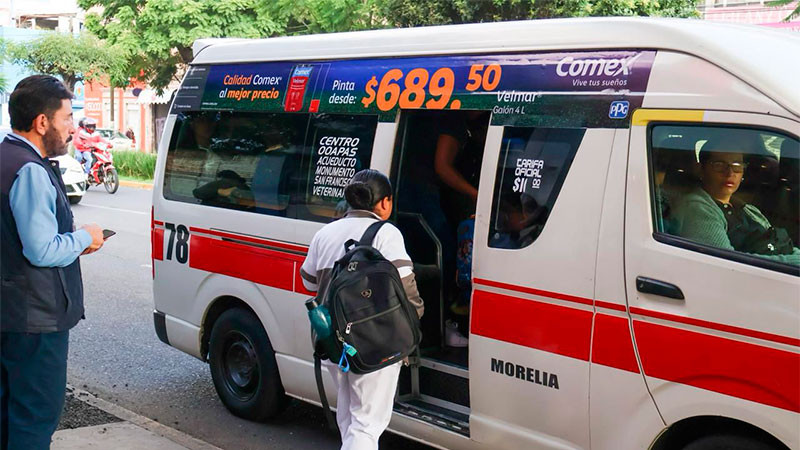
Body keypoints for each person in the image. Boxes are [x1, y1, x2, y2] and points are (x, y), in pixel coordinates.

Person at [1, 75, 105, 449]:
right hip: (34, 320)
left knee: (8, 416)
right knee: (33, 418)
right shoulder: (28, 169)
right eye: (66, 119)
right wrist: (85, 238)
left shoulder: (5, 158)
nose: (72, 129)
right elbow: (41, 250)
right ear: (41, 122)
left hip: (11, 315)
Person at [300, 169, 423, 450]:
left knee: (349, 417)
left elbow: (307, 281)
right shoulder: (387, 233)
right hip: (372, 343)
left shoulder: (326, 231)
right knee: (366, 425)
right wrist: (412, 322)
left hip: (331, 340)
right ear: (385, 202)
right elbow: (407, 288)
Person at [672, 135, 800, 265]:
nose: (730, 173)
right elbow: (727, 263)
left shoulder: (748, 209)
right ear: (700, 169)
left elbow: (781, 244)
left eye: (737, 165)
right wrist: (793, 262)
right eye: (720, 165)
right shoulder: (697, 207)